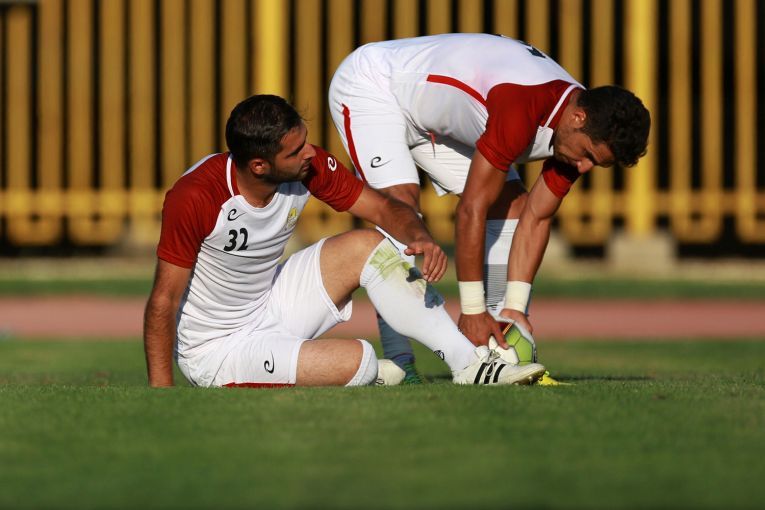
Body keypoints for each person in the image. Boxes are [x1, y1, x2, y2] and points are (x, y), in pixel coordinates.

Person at [143, 94, 547, 388]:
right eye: (295, 151)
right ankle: (363, 372)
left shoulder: (306, 166)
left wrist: (420, 237)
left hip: (273, 303)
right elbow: (163, 300)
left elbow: (383, 208)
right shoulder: (195, 196)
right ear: (260, 165)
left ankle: (470, 364)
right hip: (218, 349)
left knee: (368, 246)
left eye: (305, 141)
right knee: (362, 360)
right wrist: (162, 398)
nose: (309, 154)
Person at [328, 33, 650, 373]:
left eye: (596, 164)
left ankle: (497, 343)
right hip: (375, 86)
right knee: (401, 213)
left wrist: (516, 308)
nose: (584, 168)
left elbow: (537, 216)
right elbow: (471, 209)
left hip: (429, 114)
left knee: (511, 206)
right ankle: (400, 361)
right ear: (578, 118)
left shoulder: (580, 123)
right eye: (588, 156)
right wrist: (471, 310)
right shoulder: (522, 104)